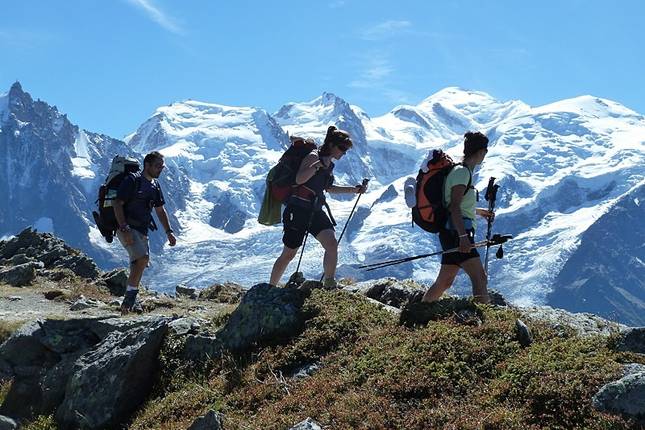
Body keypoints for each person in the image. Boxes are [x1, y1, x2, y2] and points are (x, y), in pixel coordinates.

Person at [269, 126, 368, 288]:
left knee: (331, 243)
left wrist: (354, 190)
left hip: (314, 210)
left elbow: (328, 188)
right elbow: (300, 179)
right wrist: (317, 165)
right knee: (289, 253)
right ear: (331, 145)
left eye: (346, 149)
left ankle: (329, 283)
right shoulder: (312, 156)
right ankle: (270, 288)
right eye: (342, 148)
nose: (344, 152)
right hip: (297, 209)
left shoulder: (330, 165)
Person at [422, 132, 494, 304]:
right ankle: (485, 327)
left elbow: (457, 205)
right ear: (481, 151)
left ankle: (419, 310)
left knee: (445, 282)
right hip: (457, 233)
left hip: (450, 232)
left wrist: (478, 211)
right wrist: (463, 237)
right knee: (480, 278)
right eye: (485, 151)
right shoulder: (462, 173)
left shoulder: (460, 171)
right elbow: (454, 206)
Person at [113, 151, 177, 313]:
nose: (160, 169)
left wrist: (168, 231)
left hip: (142, 229)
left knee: (140, 264)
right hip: (126, 227)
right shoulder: (132, 180)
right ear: (147, 165)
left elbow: (160, 210)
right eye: (157, 166)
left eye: (162, 167)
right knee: (142, 259)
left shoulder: (155, 186)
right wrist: (124, 228)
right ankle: (128, 303)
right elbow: (117, 203)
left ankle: (129, 303)